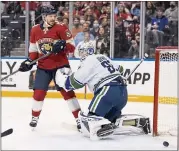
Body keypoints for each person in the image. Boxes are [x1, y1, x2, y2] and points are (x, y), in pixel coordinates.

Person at [55, 46, 151, 140]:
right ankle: (137, 122)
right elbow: (120, 69)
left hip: (107, 92)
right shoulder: (102, 57)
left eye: (81, 51)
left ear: (86, 52)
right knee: (111, 120)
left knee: (90, 120)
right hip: (122, 93)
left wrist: (60, 80)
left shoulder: (88, 61)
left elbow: (74, 83)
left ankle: (101, 127)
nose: (80, 54)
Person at [18, 5, 81, 130]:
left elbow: (72, 47)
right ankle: (34, 117)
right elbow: (34, 50)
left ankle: (79, 119)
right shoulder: (35, 30)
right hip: (43, 67)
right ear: (44, 17)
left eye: (54, 16)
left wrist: (63, 46)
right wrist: (29, 61)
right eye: (50, 16)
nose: (53, 18)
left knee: (68, 93)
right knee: (39, 93)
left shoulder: (61, 27)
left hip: (61, 66)